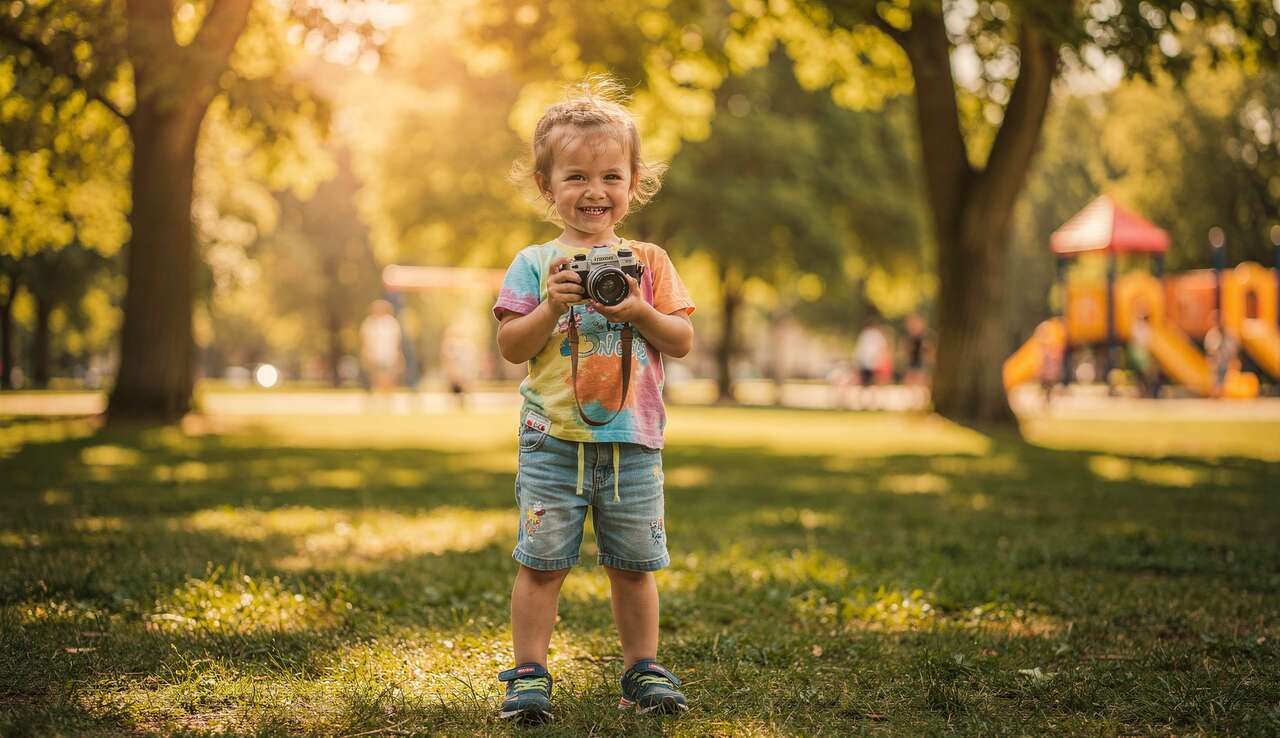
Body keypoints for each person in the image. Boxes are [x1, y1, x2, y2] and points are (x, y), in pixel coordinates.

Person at [491, 76, 695, 722]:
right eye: (575, 176)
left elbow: (682, 339)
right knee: (542, 563)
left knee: (634, 564)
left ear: (634, 183)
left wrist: (637, 308)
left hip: (633, 442)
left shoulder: (650, 261)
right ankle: (529, 671)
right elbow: (512, 347)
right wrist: (552, 303)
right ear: (545, 185)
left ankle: (643, 667)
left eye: (611, 176)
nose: (594, 191)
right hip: (552, 440)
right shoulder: (534, 263)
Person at [359, 299, 403, 398]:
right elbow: (365, 341)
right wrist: (365, 354)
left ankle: (387, 398)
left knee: (389, 378)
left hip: (389, 355)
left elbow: (397, 342)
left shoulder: (392, 323)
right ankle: (378, 397)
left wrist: (399, 356)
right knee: (376, 378)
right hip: (374, 355)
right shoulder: (369, 323)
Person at [1203, 310, 1239, 398]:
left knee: (1225, 380)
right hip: (1216, 362)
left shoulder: (1229, 334)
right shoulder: (1212, 334)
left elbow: (1232, 349)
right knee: (1215, 380)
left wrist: (1233, 360)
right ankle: (1216, 395)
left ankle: (1222, 394)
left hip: (1226, 361)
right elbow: (1210, 351)